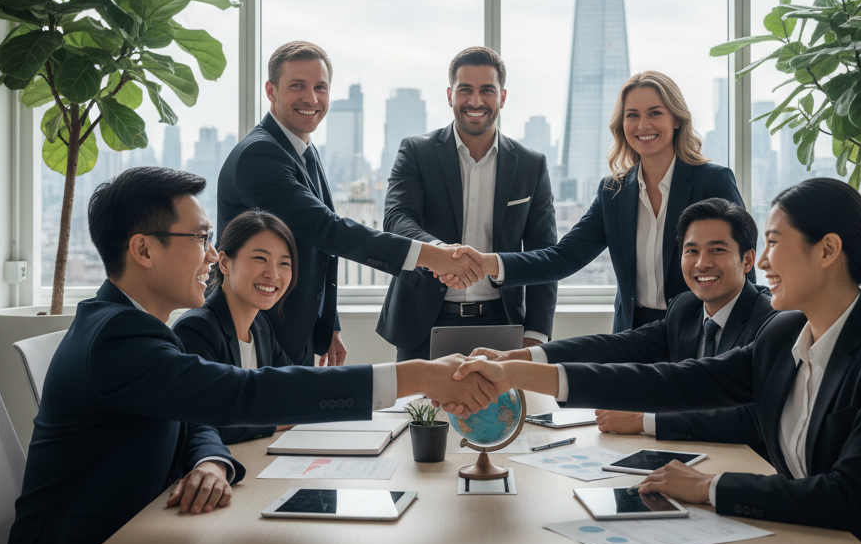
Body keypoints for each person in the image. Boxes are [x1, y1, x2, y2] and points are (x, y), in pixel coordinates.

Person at [452, 178, 861, 544]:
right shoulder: (783, 336)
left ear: (827, 250)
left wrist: (710, 486)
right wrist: (518, 371)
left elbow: (849, 499)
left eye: (774, 243)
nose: (765, 261)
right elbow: (670, 383)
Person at [0, 167, 496, 544]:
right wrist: (418, 376)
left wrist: (211, 458)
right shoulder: (118, 339)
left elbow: (191, 416)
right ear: (143, 250)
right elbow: (243, 393)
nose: (212, 255)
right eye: (202, 238)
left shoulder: (133, 329)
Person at [216, 41, 485, 366]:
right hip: (257, 328)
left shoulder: (300, 148)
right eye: (297, 86)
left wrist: (328, 325)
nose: (311, 99)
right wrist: (432, 256)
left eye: (320, 87)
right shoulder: (259, 155)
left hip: (290, 329)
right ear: (271, 90)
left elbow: (318, 251)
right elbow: (326, 230)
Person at [449, 70, 749, 330]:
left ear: (676, 121)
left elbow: (742, 262)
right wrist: (488, 263)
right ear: (622, 125)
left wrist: (749, 332)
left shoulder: (713, 180)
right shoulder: (613, 192)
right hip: (633, 337)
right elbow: (563, 257)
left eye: (655, 113)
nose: (643, 125)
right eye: (632, 115)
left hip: (702, 331)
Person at [473, 198, 773, 448]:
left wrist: (643, 421)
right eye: (692, 251)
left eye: (717, 250)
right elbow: (616, 347)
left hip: (749, 465)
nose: (701, 263)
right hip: (691, 451)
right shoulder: (686, 308)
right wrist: (518, 357)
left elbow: (750, 420)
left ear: (748, 260)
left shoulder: (769, 321)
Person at [378, 46, 558, 361]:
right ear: (450, 95)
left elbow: (544, 252)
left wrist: (536, 333)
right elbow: (397, 218)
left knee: (504, 413)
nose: (475, 101)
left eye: (487, 91)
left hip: (502, 322)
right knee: (421, 412)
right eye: (466, 90)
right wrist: (439, 254)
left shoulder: (531, 165)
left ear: (502, 97)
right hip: (423, 321)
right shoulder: (416, 152)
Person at [173, 209, 300, 444]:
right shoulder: (196, 329)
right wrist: (276, 420)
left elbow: (293, 390)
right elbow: (205, 423)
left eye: (284, 263)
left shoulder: (259, 326)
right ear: (224, 263)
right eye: (260, 258)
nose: (273, 274)